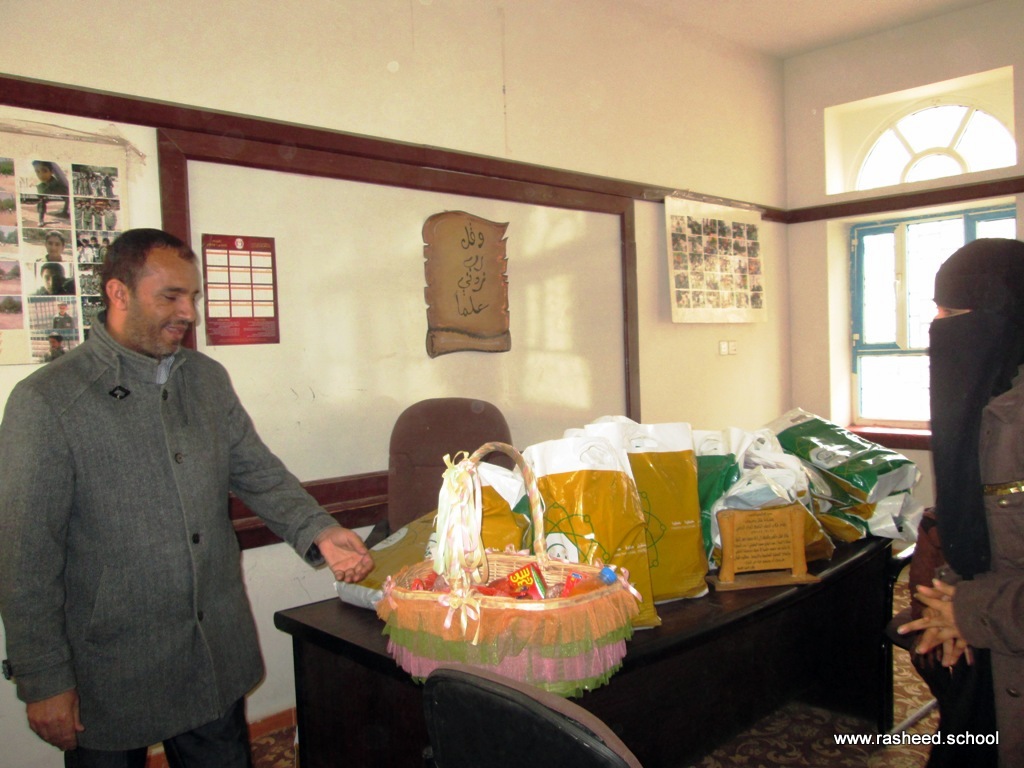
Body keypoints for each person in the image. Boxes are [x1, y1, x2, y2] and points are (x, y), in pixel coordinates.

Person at [0, 228, 374, 767]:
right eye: (171, 296)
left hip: (210, 655)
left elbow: (258, 472)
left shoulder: (206, 380)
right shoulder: (49, 400)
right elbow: (24, 556)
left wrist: (318, 529)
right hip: (110, 668)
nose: (188, 313)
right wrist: (42, 679)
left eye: (193, 296)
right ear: (118, 293)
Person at [899, 238, 1024, 767]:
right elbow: (980, 527)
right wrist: (952, 602)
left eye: (953, 315)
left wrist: (971, 612)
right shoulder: (989, 401)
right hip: (987, 648)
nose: (938, 328)